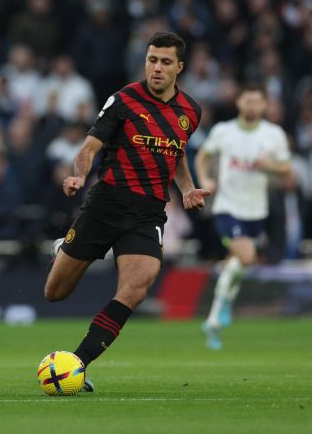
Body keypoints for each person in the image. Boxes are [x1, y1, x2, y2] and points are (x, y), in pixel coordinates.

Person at [44, 32, 209, 391]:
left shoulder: (190, 111)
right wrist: (79, 175)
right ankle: (63, 249)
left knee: (136, 289)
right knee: (55, 292)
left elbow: (176, 153)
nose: (157, 68)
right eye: (152, 60)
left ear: (179, 67)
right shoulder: (124, 100)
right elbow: (90, 147)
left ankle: (77, 364)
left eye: (165, 62)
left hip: (148, 213)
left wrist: (187, 189)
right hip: (106, 203)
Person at [196, 85, 291, 350]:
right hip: (227, 208)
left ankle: (215, 317)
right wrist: (205, 180)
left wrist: (269, 165)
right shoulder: (223, 131)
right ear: (239, 102)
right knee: (247, 256)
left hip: (256, 211)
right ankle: (221, 308)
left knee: (237, 263)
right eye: (247, 100)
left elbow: (286, 168)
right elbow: (203, 156)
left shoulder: (273, 134)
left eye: (257, 101)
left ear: (264, 105)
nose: (252, 106)